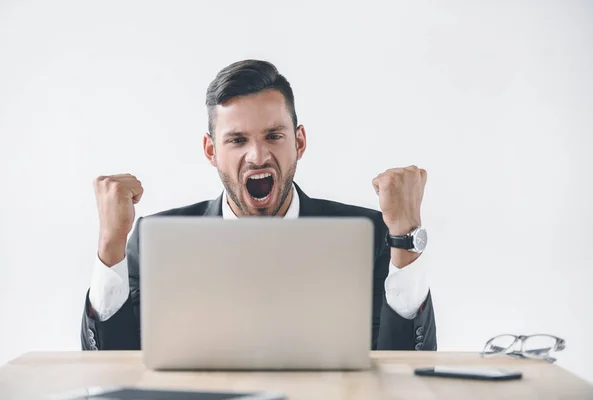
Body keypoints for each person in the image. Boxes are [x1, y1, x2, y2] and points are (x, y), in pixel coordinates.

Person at [80, 59, 437, 352]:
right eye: (237, 140)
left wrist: (405, 241)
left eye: (273, 136)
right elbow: (116, 378)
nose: (258, 155)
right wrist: (111, 247)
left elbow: (404, 378)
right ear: (211, 151)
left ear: (298, 141)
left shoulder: (371, 236)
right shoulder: (156, 240)